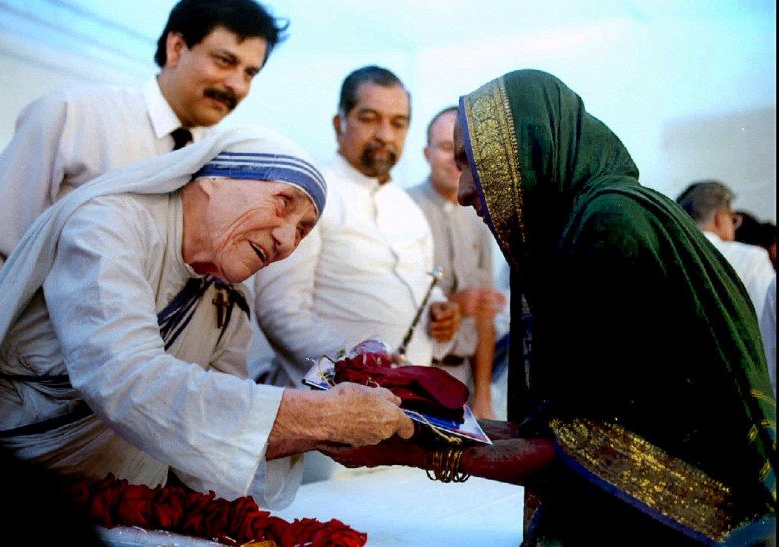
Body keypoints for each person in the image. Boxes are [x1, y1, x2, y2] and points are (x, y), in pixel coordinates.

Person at [324, 69, 776, 545]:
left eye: (472, 163)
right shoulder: (587, 222)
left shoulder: (611, 226)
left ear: (522, 152)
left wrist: (407, 452)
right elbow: (568, 435)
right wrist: (414, 430)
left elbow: (585, 454)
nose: (462, 192)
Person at [0, 126, 414, 510]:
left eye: (303, 230)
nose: (285, 241)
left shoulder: (227, 297)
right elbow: (124, 378)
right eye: (284, 203)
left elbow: (212, 429)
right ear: (214, 179)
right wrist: (321, 417)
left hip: (131, 510)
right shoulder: (108, 224)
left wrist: (326, 434)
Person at [0, 0, 287, 296]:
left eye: (250, 73)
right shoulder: (73, 113)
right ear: (176, 48)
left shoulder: (224, 163)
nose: (238, 85)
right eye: (225, 61)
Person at [252, 65, 461, 389]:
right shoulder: (310, 194)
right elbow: (281, 310)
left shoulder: (408, 208)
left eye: (398, 123)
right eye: (369, 118)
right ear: (340, 124)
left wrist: (439, 313)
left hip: (407, 400)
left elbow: (422, 286)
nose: (385, 135)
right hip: (328, 400)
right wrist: (357, 366)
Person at [408, 106, 505, 419]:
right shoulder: (403, 209)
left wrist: (483, 398)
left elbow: (485, 319)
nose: (453, 161)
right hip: (415, 377)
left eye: (461, 153)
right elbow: (393, 305)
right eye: (445, 148)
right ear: (427, 153)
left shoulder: (479, 216)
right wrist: (457, 305)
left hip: (462, 380)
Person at [676, 180, 775, 318]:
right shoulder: (752, 258)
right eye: (732, 219)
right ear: (720, 218)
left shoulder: (666, 256)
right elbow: (765, 319)